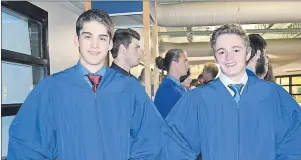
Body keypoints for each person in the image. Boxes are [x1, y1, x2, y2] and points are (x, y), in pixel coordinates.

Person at [8, 9, 166, 160]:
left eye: (102, 38)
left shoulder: (129, 89)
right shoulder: (52, 88)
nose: (95, 45)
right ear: (77, 40)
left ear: (110, 44)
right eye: (88, 36)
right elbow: (26, 145)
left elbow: (152, 136)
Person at [164, 24, 301, 159]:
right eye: (222, 52)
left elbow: (294, 140)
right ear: (216, 57)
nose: (229, 58)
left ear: (247, 53)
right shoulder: (198, 99)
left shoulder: (273, 95)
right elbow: (174, 144)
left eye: (236, 50)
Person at [154, 49, 189, 119]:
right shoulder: (168, 89)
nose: (187, 65)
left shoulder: (175, 87)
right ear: (174, 63)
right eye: (185, 61)